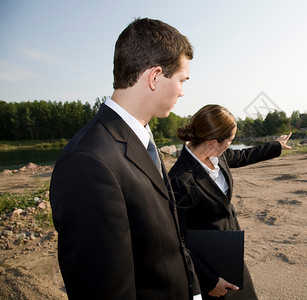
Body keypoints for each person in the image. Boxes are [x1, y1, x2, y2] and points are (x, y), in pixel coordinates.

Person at [50, 18, 202, 299]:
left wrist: (193, 291)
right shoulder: (88, 161)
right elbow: (104, 288)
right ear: (155, 77)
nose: (182, 90)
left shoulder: (142, 140)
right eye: (182, 80)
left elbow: (168, 239)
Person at [168, 104, 292, 299]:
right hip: (208, 266)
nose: (231, 145)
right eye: (231, 140)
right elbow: (177, 240)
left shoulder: (219, 155)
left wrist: (275, 146)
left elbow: (244, 155)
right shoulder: (180, 179)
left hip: (230, 253)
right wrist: (209, 280)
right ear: (213, 142)